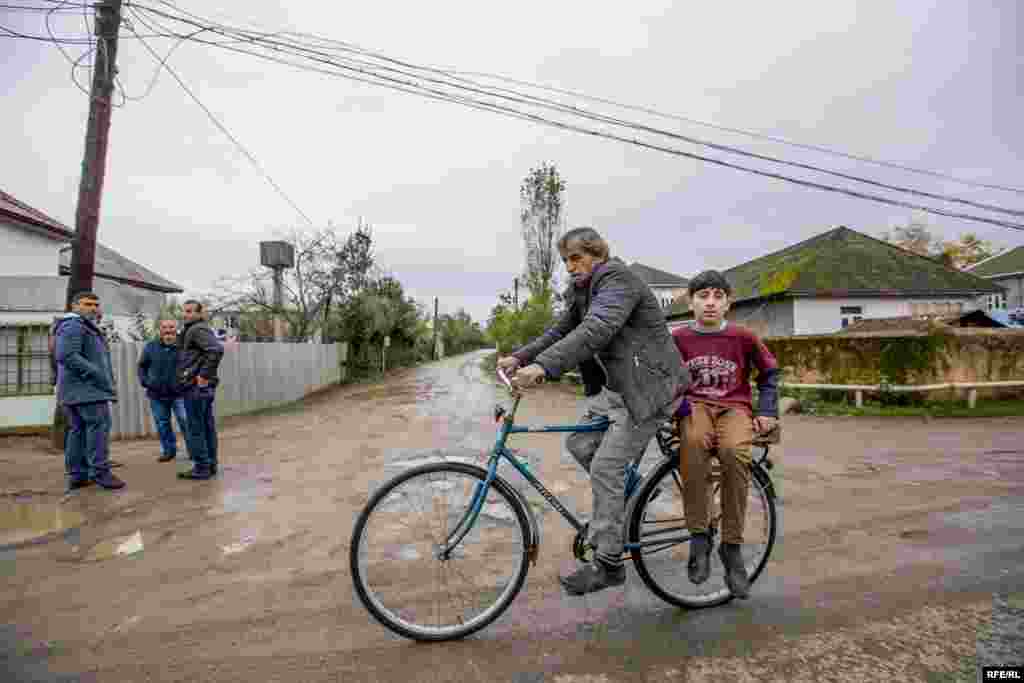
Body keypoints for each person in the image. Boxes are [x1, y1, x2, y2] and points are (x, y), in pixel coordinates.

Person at [497, 227, 688, 596]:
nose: (570, 267)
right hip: (618, 389)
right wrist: (521, 357)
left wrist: (544, 367)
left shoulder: (619, 280)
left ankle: (609, 563)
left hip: (649, 389)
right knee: (580, 444)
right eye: (566, 260)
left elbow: (598, 328)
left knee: (605, 467)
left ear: (598, 254)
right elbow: (560, 331)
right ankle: (634, 496)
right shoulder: (583, 290)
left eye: (576, 258)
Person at [671, 270, 780, 599]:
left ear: (728, 304)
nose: (710, 303)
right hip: (695, 405)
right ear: (690, 302)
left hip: (734, 407)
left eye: (718, 296)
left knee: (734, 452)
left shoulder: (742, 337)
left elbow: (769, 372)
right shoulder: (678, 338)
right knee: (693, 444)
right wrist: (675, 405)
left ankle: (731, 546)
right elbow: (663, 375)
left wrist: (767, 410)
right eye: (703, 296)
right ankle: (699, 537)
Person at [54, 291, 124, 490]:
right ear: (75, 306)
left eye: (95, 305)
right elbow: (66, 355)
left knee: (78, 431)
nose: (93, 308)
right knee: (97, 429)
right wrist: (95, 372)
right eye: (87, 304)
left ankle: (78, 475)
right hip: (87, 390)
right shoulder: (74, 325)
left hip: (76, 391)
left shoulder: (79, 325)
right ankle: (100, 472)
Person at [176, 300, 224, 480]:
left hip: (196, 387)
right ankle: (210, 464)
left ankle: (202, 467)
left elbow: (216, 350)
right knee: (206, 426)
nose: (185, 314)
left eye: (190, 311)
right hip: (199, 387)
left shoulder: (197, 329)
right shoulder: (194, 329)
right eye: (184, 311)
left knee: (196, 428)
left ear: (199, 313)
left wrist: (203, 376)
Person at [138, 319, 188, 463]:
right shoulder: (151, 346)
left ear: (176, 329)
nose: (168, 330)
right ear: (160, 330)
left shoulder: (184, 346)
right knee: (162, 423)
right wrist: (146, 382)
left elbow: (192, 365)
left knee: (185, 421)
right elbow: (142, 366)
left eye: (171, 327)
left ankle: (193, 450)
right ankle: (169, 451)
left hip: (180, 394)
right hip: (157, 394)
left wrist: (186, 382)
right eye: (165, 327)